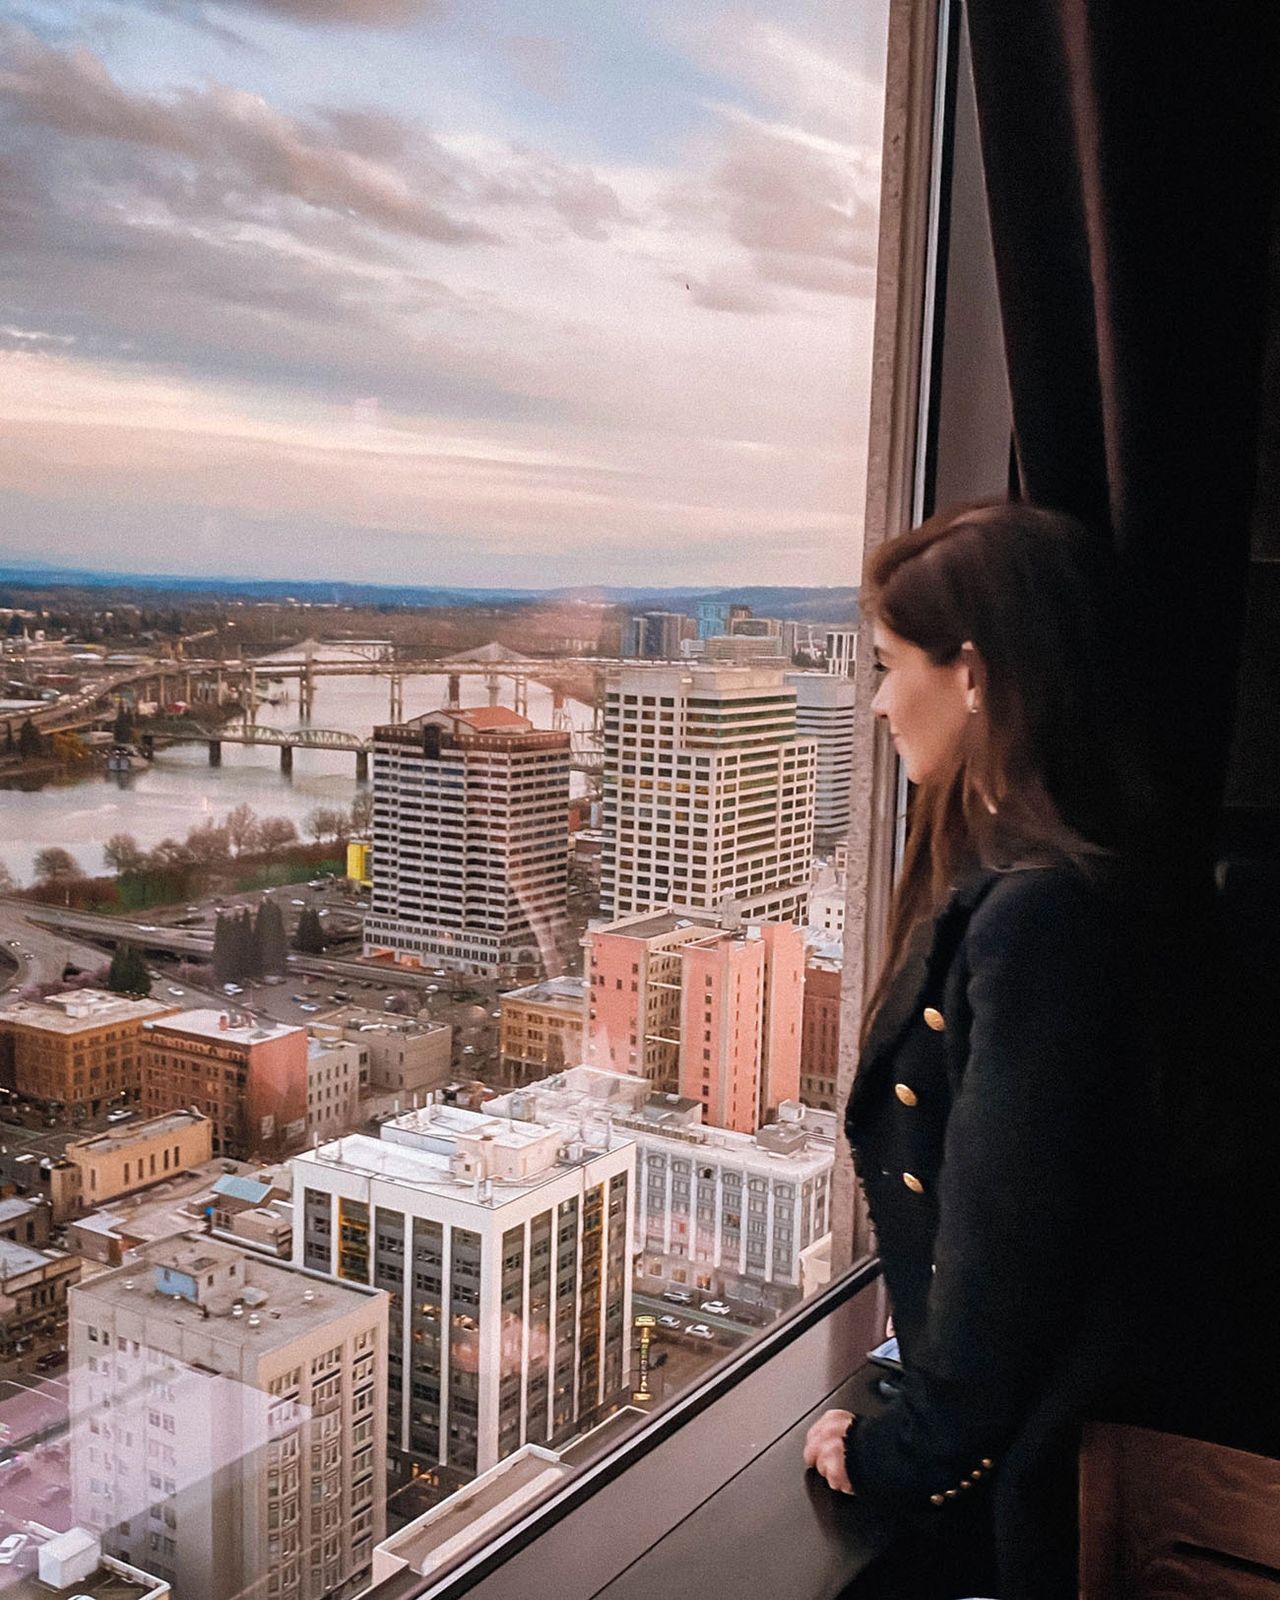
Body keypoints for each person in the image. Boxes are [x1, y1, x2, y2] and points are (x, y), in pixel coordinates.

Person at [803, 502, 1163, 1600]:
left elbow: (1004, 1250)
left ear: (970, 674)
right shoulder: (1074, 874)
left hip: (1038, 1497)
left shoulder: (1035, 918)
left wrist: (892, 1453)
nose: (872, 701)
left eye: (885, 663)